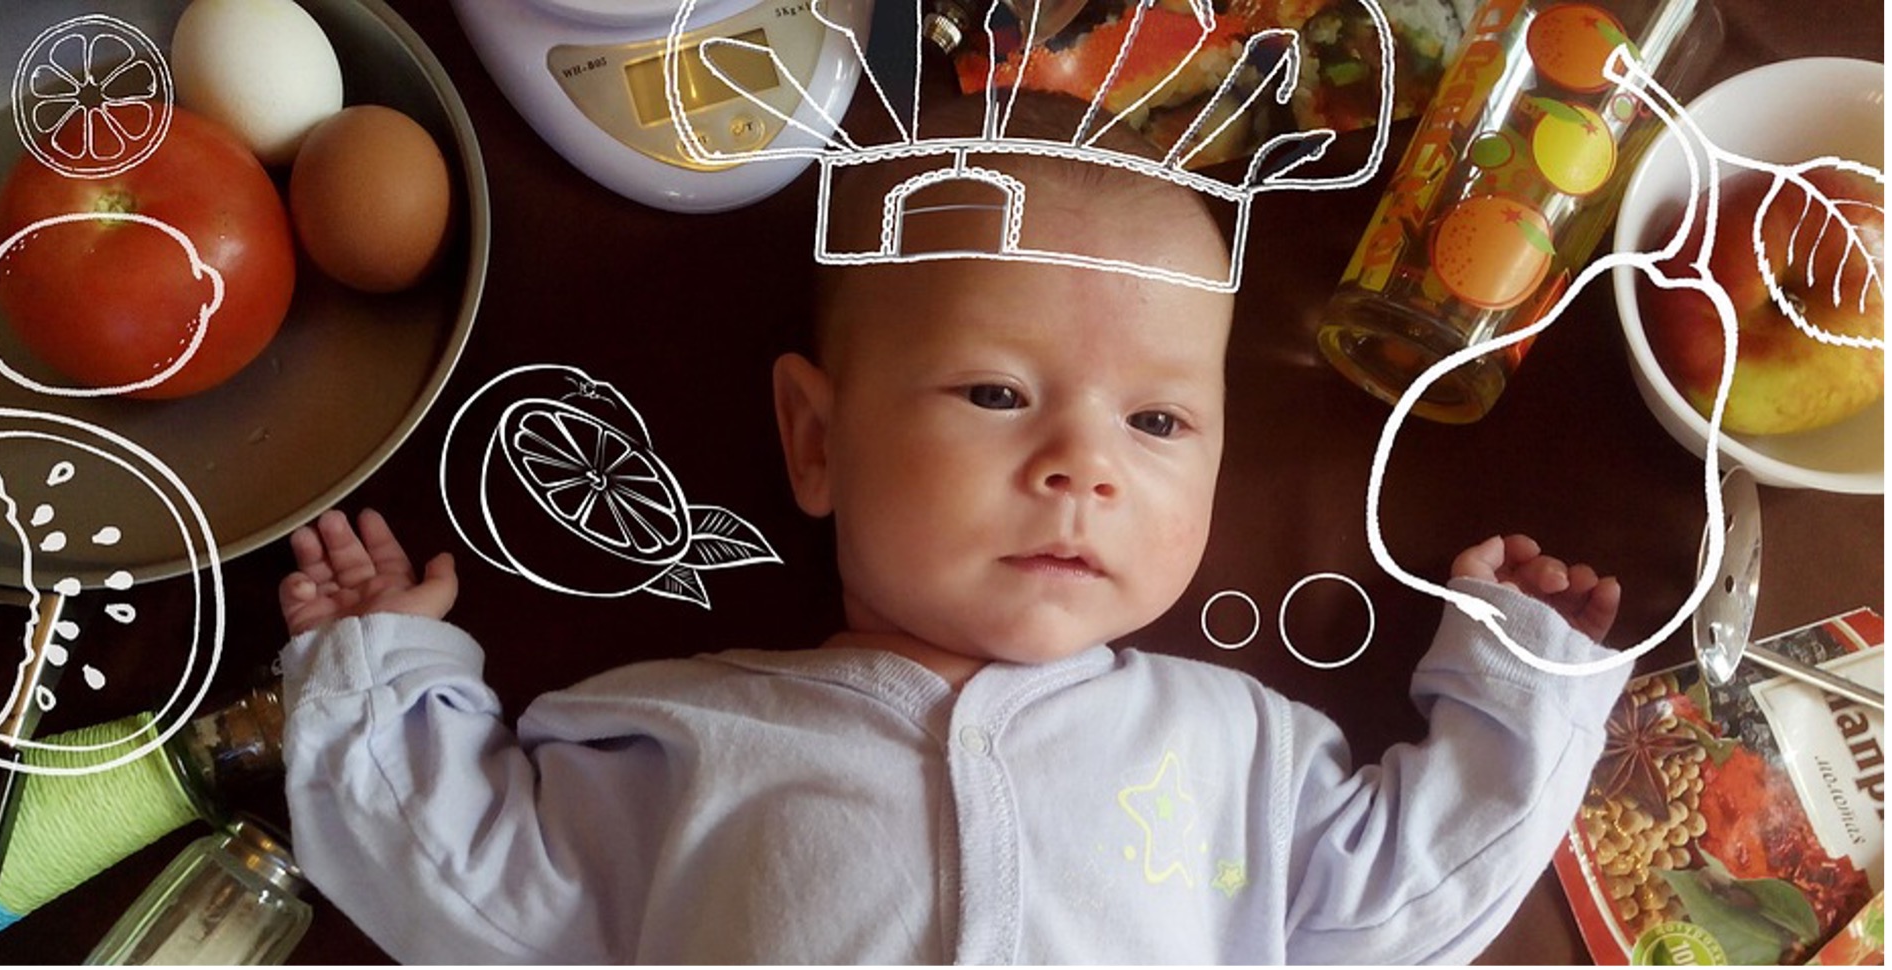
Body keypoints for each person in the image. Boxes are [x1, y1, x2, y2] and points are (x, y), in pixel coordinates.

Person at [275, 108, 1629, 963]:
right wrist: (378, 673)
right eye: (994, 393)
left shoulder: (1241, 758)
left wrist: (1518, 674)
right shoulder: (676, 741)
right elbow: (475, 892)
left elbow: (1404, 902)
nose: (1079, 468)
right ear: (817, 440)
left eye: (1157, 422)